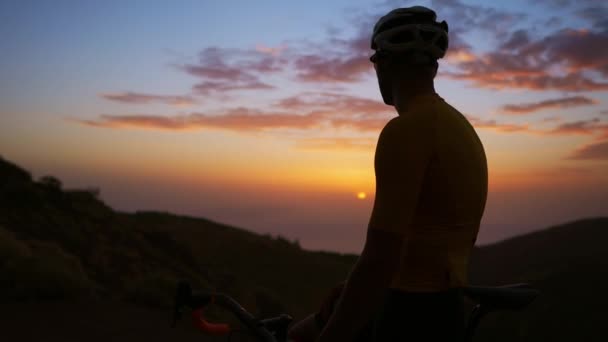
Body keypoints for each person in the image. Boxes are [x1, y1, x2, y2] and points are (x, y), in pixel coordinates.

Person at [288, 5, 488, 342]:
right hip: (447, 308)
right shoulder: (459, 125)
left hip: (408, 314)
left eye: (376, 62)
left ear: (386, 62)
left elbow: (381, 257)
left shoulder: (404, 131)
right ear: (433, 65)